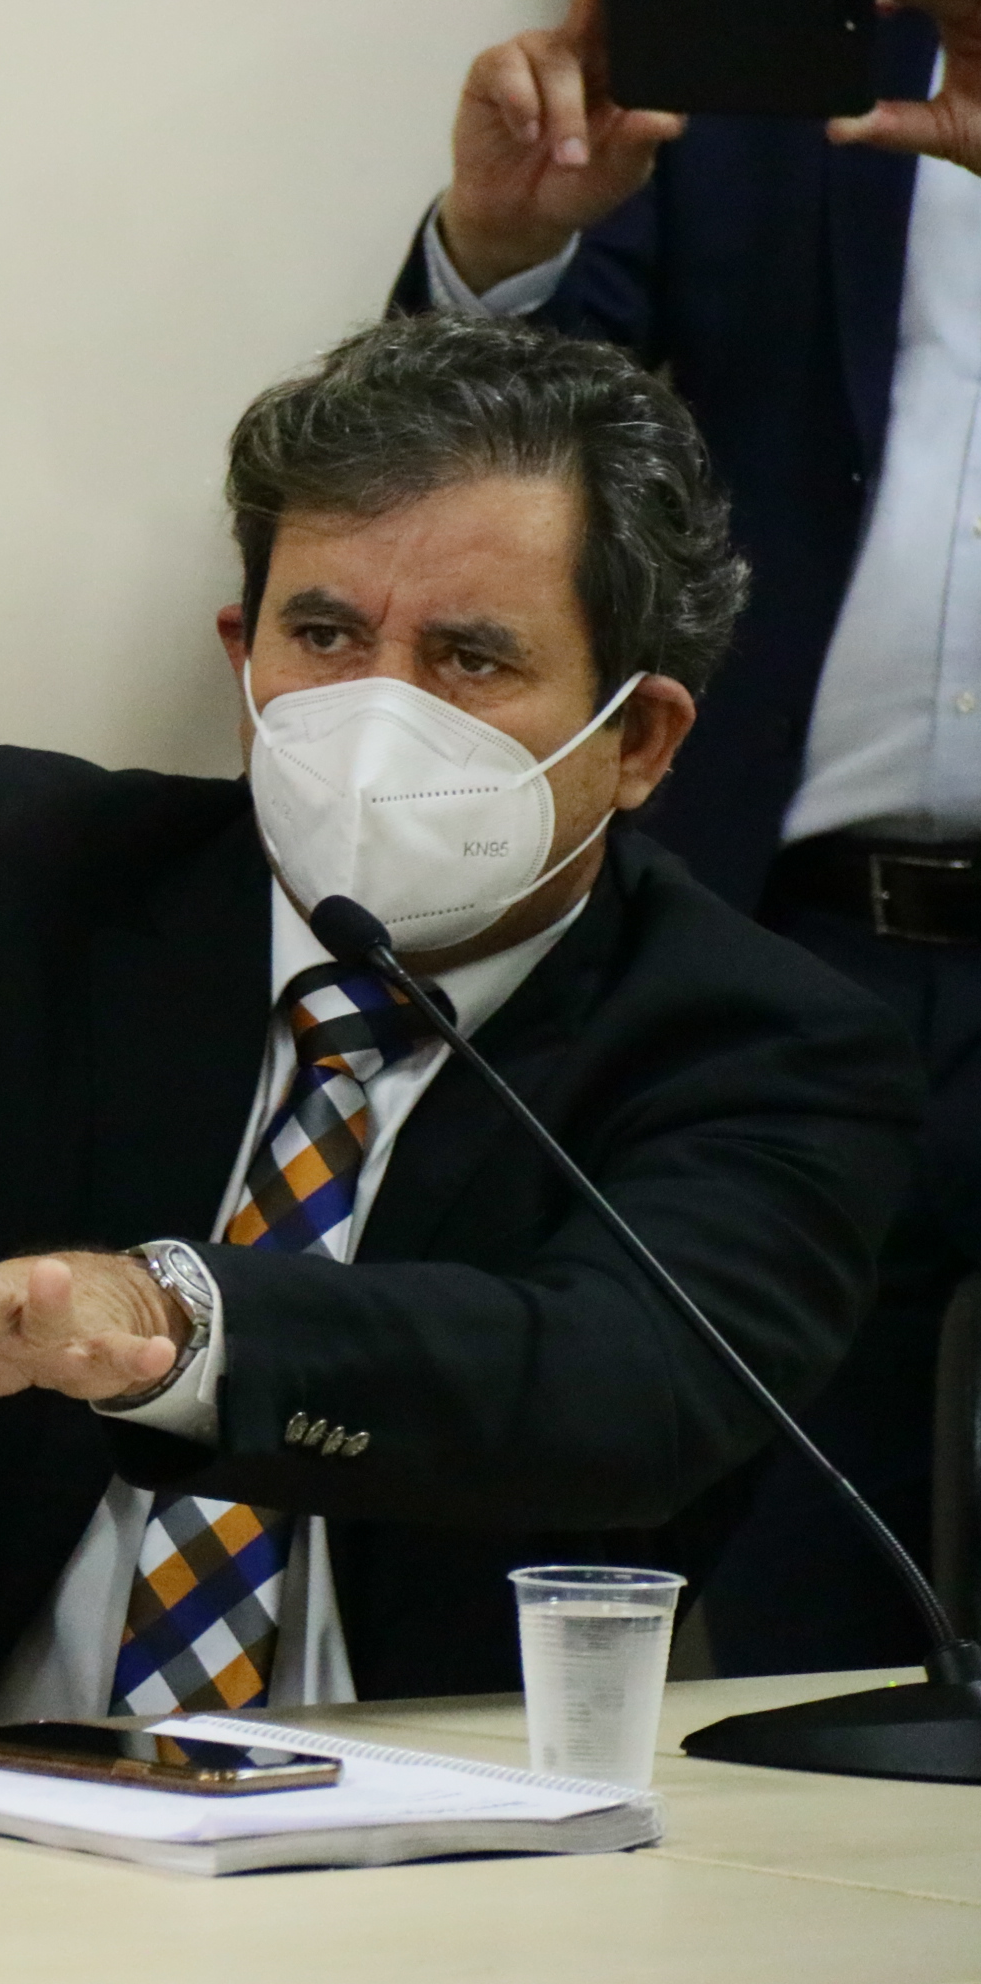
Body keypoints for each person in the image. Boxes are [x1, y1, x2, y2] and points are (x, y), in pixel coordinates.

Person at [0, 315, 922, 1745]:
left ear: (640, 737)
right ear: (239, 650)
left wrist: (174, 1322)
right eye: (323, 634)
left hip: (443, 1841)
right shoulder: (24, 863)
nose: (375, 714)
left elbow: (621, 1385)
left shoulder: (766, 1043)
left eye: (470, 658)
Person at [394, 0, 981, 1673]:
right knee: (805, 1604)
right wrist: (500, 250)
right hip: (802, 968)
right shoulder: (774, 103)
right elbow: (483, 473)